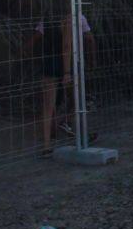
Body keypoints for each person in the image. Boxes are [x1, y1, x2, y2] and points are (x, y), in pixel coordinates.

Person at [27, 10, 95, 154]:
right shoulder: (73, 18)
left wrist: (26, 54)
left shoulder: (47, 18)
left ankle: (46, 145)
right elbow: (67, 46)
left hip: (49, 63)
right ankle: (74, 130)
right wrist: (67, 71)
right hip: (67, 64)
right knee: (78, 98)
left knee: (47, 106)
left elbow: (36, 38)